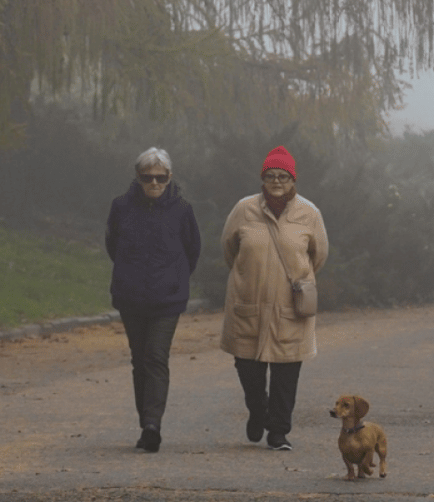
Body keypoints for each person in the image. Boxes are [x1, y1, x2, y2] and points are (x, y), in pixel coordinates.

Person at [219, 145, 328, 451]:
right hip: (248, 304)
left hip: (290, 307)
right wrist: (248, 277)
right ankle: (258, 411)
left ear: (293, 180)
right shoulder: (244, 210)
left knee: (286, 372)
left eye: (283, 176)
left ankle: (278, 430)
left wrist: (293, 280)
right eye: (271, 175)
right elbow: (229, 249)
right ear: (262, 179)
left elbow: (318, 256)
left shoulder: (310, 213)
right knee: (248, 368)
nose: (277, 181)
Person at [105, 147, 202, 453]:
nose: (155, 183)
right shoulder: (121, 207)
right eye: (148, 177)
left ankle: (152, 424)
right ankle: (145, 420)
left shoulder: (182, 209)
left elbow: (192, 249)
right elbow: (112, 245)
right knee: (139, 359)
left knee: (156, 356)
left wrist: (175, 277)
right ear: (138, 177)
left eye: (160, 177)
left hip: (167, 299)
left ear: (170, 177)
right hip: (131, 296)